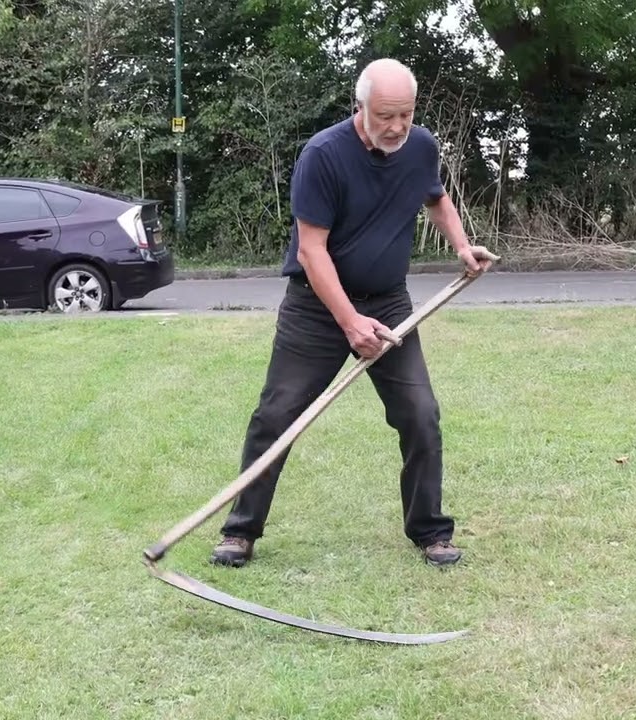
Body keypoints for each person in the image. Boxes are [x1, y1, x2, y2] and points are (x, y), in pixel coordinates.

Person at [209, 58, 492, 569]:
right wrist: (348, 322)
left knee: (420, 415)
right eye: (385, 115)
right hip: (316, 310)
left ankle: (430, 531)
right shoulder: (323, 155)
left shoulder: (420, 146)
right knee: (276, 416)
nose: (397, 127)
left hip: (388, 303)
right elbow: (311, 252)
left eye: (405, 114)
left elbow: (437, 197)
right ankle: (240, 530)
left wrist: (462, 246)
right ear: (359, 108)